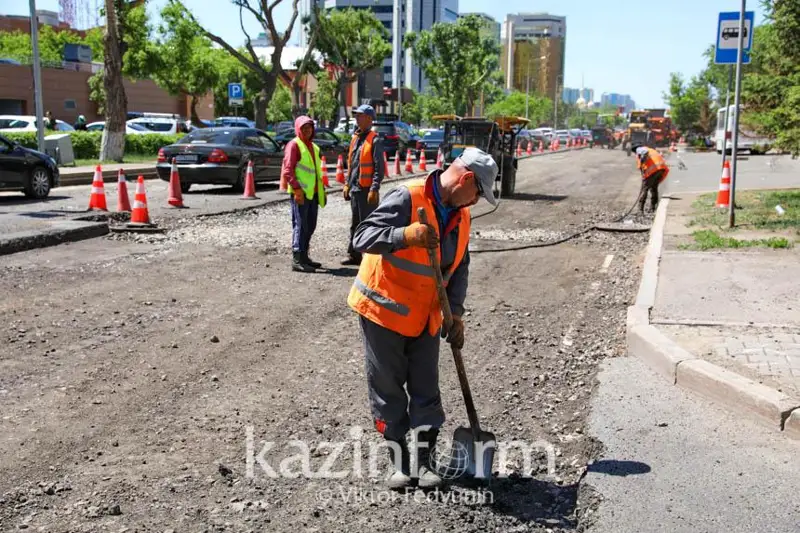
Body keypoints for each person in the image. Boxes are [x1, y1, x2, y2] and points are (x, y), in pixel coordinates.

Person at [346, 147, 499, 490]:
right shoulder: (407, 197)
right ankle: (400, 462)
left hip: (426, 316)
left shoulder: (461, 216)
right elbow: (361, 237)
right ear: (466, 179)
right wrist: (403, 235)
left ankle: (425, 461)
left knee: (426, 388)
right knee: (388, 388)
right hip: (384, 311)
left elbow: (459, 267)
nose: (476, 201)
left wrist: (455, 313)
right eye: (478, 192)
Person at [280, 115, 327, 272]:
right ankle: (297, 259)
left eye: (310, 127)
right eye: (304, 128)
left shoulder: (314, 147)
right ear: (298, 129)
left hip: (313, 194)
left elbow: (316, 172)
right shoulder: (294, 145)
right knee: (300, 225)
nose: (307, 130)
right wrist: (297, 189)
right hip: (300, 194)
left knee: (310, 226)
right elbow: (288, 170)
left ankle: (305, 256)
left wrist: (322, 191)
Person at [341, 104, 385, 266]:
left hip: (367, 190)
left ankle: (370, 258)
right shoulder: (355, 138)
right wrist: (347, 184)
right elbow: (352, 164)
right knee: (355, 223)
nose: (357, 118)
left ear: (369, 118)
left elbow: (379, 167)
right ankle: (354, 255)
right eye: (357, 115)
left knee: (368, 224)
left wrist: (374, 188)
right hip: (355, 188)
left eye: (360, 115)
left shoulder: (375, 140)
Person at [635, 145, 669, 214]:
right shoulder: (651, 150)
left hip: (654, 169)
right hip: (661, 168)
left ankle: (640, 209)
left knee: (645, 189)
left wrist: (644, 178)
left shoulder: (639, 152)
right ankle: (653, 207)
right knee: (654, 187)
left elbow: (641, 167)